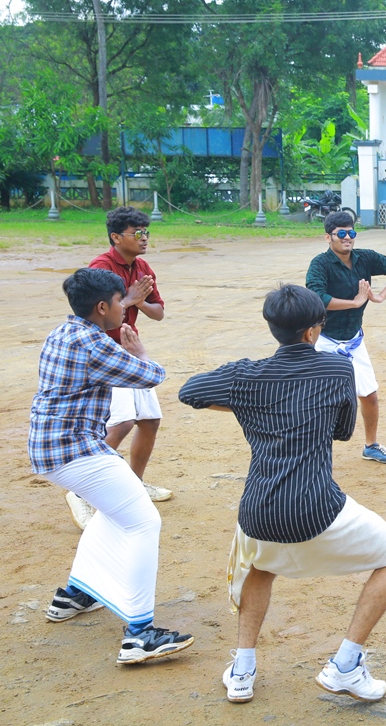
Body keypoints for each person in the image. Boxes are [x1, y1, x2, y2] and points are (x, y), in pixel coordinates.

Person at [178, 285, 386, 704]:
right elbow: (342, 433)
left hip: (258, 509)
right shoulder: (338, 370)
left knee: (261, 567)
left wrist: (251, 404)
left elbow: (190, 392)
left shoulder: (245, 375)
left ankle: (243, 670)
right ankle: (345, 665)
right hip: (317, 506)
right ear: (311, 332)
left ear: (273, 329)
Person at [31, 267, 194, 664]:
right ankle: (139, 635)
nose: (126, 307)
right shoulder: (93, 343)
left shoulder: (64, 331)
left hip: (55, 446)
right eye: (121, 301)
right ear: (102, 307)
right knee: (143, 522)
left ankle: (74, 595)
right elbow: (151, 375)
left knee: (114, 512)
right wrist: (140, 353)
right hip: (75, 450)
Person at [73, 207, 170, 531]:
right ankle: (80, 491)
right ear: (116, 237)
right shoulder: (101, 268)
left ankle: (134, 483)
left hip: (130, 351)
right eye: (136, 233)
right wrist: (128, 299)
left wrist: (139, 302)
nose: (144, 238)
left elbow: (158, 313)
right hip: (104, 353)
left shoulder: (141, 267)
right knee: (122, 421)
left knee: (149, 420)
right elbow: (90, 314)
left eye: (146, 232)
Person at [305, 211, 386, 465]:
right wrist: (354, 302)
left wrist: (381, 296)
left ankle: (371, 445)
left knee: (369, 395)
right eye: (341, 233)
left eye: (351, 232)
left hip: (353, 340)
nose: (347, 237)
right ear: (328, 237)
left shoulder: (365, 258)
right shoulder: (320, 264)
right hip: (325, 340)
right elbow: (317, 298)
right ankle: (312, 451)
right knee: (320, 400)